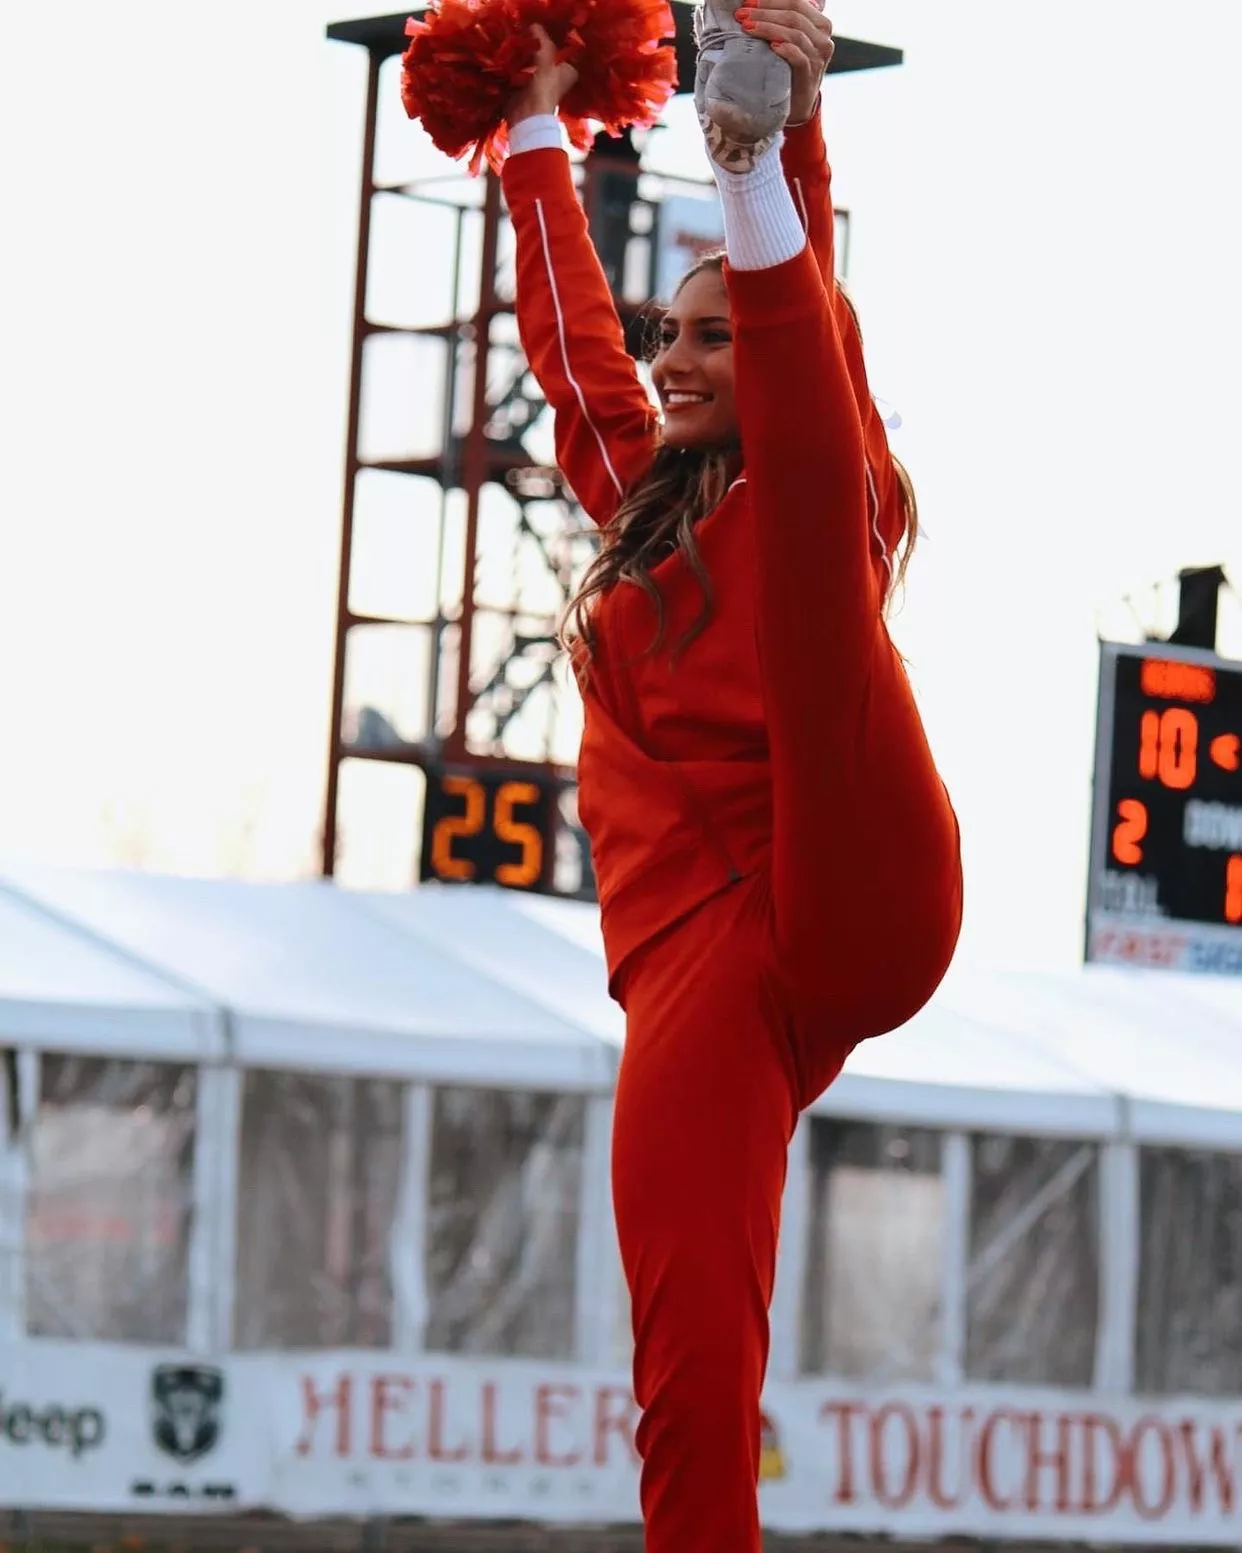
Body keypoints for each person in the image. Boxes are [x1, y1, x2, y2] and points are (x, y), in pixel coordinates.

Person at [499, 5, 963, 1546]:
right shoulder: (645, 507)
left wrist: (769, 156)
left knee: (814, 495)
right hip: (701, 947)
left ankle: (743, 136)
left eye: (709, 332)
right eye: (672, 333)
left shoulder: (819, 496)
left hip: (846, 882)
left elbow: (808, 345)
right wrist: (530, 130)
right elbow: (576, 362)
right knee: (689, 1338)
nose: (674, 355)